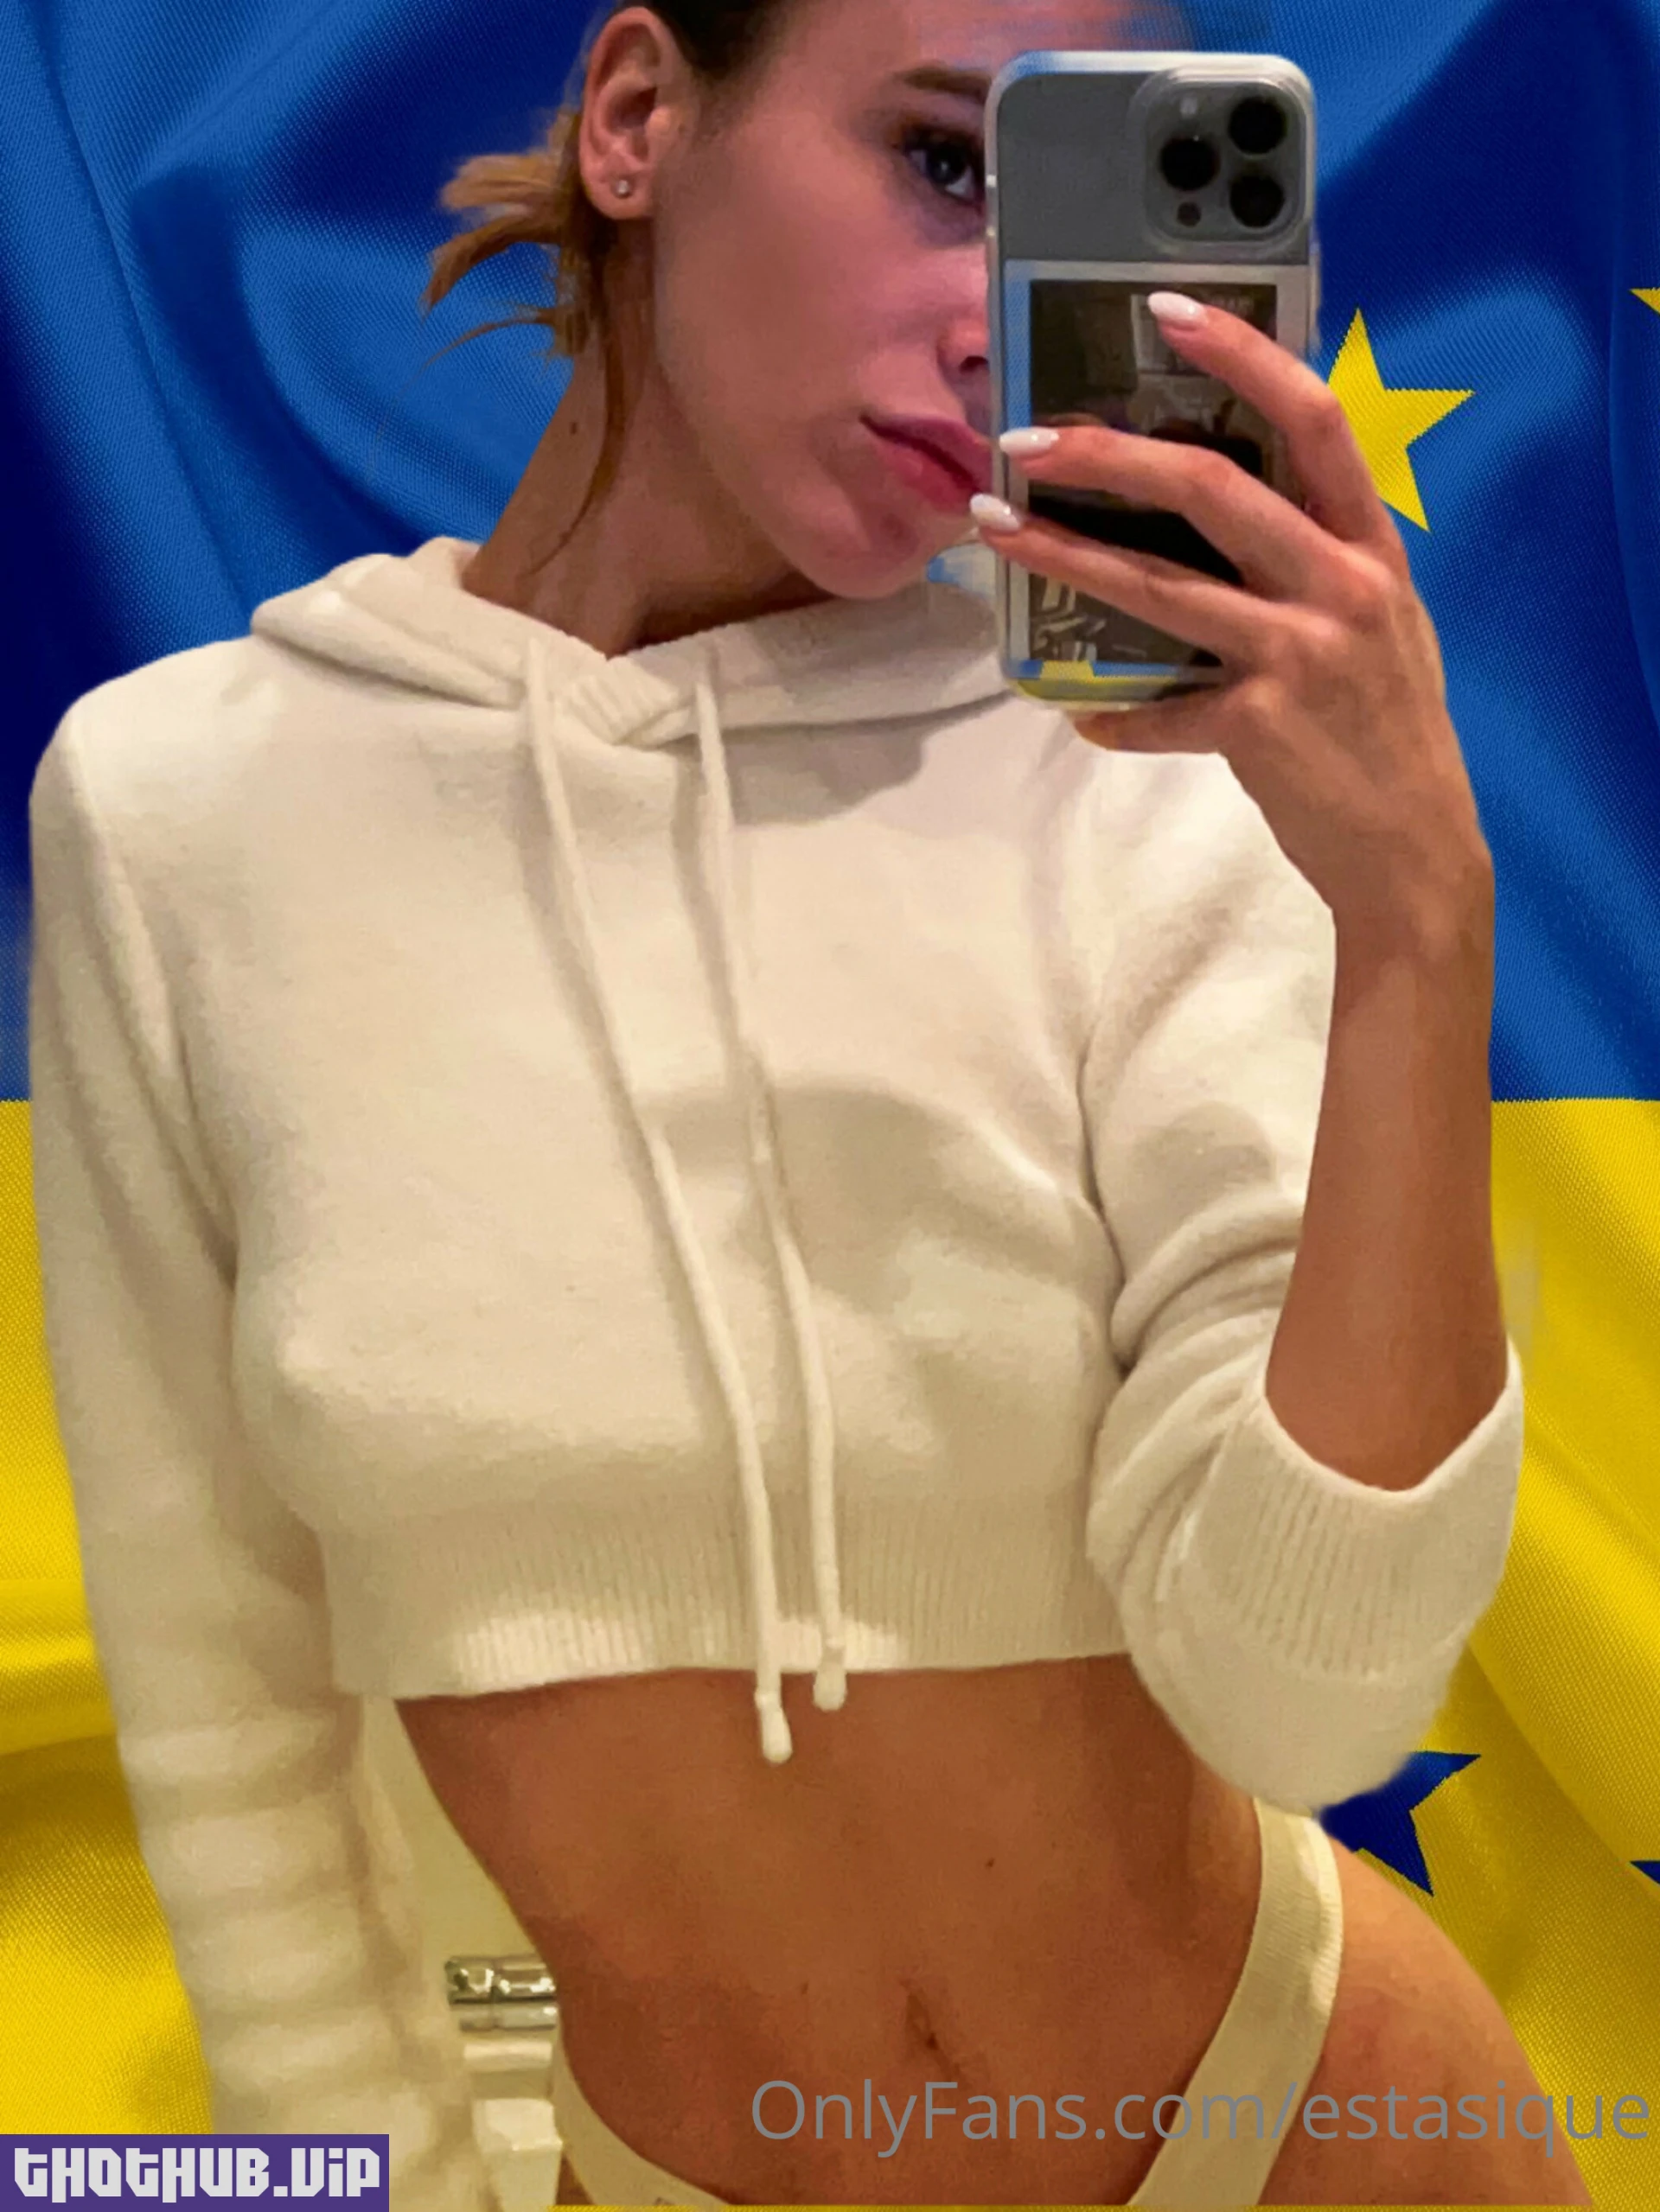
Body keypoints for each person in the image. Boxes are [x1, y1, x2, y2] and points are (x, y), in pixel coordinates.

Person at [25, 0, 1592, 2206]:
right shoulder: (184, 817)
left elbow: (1309, 1704)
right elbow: (224, 1708)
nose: (992, 326)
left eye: (1062, 225)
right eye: (945, 166)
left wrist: (1418, 928)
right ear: (639, 117)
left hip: (1321, 2130)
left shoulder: (1150, 778)